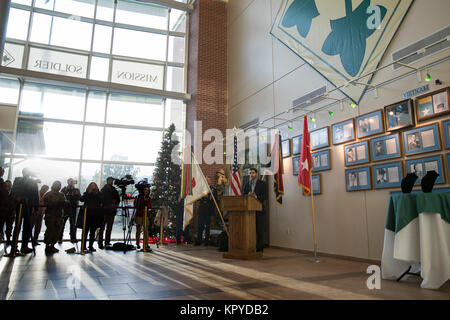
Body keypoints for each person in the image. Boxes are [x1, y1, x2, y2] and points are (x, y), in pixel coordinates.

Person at [10, 168, 39, 254]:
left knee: (26, 227)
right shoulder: (18, 180)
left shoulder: (31, 181)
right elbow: (13, 192)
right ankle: (15, 246)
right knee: (18, 226)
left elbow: (35, 195)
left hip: (28, 206)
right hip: (20, 206)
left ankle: (23, 246)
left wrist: (35, 207)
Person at [243, 168, 267, 252]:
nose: (251, 174)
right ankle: (251, 246)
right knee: (250, 230)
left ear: (256, 174)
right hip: (249, 211)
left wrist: (255, 196)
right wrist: (248, 195)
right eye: (250, 173)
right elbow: (243, 195)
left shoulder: (262, 184)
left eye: (253, 173)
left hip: (259, 210)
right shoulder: (247, 184)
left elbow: (265, 197)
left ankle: (260, 248)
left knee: (259, 230)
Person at [79, 182, 104, 252]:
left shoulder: (99, 194)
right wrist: (88, 193)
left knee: (93, 231)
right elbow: (81, 199)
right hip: (87, 215)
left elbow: (102, 200)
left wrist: (97, 193)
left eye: (94, 186)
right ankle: (83, 246)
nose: (93, 188)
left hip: (95, 215)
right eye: (92, 186)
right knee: (85, 231)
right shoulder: (86, 193)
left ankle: (90, 246)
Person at [43, 181, 66, 255]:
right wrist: (58, 202)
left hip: (59, 215)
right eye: (57, 185)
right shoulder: (48, 194)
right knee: (50, 231)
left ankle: (52, 245)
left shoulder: (61, 194)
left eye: (59, 185)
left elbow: (64, 202)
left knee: (57, 231)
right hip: (50, 215)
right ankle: (47, 245)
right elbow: (47, 203)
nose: (58, 186)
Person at [195, 176, 217, 246]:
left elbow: (215, 199)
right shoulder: (201, 189)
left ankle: (206, 241)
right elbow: (197, 198)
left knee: (207, 226)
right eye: (206, 180)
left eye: (208, 180)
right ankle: (199, 240)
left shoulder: (213, 189)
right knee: (200, 226)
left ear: (210, 181)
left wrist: (208, 197)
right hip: (202, 209)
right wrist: (202, 197)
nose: (207, 181)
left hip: (208, 210)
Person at [99, 177, 120, 249]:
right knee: (102, 227)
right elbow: (101, 199)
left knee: (109, 227)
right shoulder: (103, 190)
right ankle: (100, 242)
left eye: (112, 181)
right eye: (110, 180)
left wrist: (115, 203)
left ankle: (107, 241)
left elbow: (118, 199)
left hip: (112, 211)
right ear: (107, 181)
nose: (111, 182)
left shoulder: (114, 190)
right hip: (104, 211)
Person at [60, 178, 81, 244]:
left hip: (73, 209)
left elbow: (79, 198)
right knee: (62, 224)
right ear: (67, 182)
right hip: (65, 209)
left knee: (73, 224)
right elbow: (61, 197)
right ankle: (59, 237)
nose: (71, 182)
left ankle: (73, 237)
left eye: (72, 181)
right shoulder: (64, 189)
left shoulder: (76, 190)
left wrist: (77, 194)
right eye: (70, 181)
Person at [133, 185, 152, 250]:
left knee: (146, 230)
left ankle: (146, 244)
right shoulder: (137, 197)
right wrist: (142, 200)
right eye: (145, 190)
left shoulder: (149, 198)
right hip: (139, 215)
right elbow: (135, 205)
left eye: (147, 190)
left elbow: (150, 206)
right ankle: (137, 243)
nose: (146, 191)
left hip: (146, 216)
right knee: (138, 230)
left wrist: (146, 201)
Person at [0, 167, 9, 243]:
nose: (3, 173)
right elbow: (4, 194)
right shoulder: (2, 183)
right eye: (2, 171)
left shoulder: (2, 182)